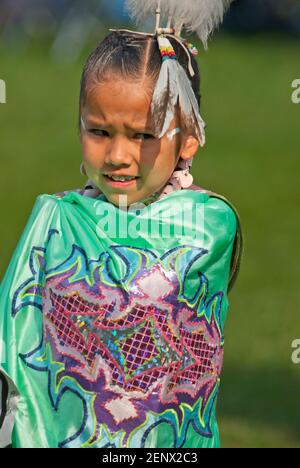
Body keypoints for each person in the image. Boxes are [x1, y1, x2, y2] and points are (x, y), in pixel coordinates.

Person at [0, 0, 243, 448]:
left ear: (189, 138)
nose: (117, 156)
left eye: (143, 136)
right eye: (99, 131)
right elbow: (16, 336)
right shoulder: (56, 220)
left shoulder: (208, 226)